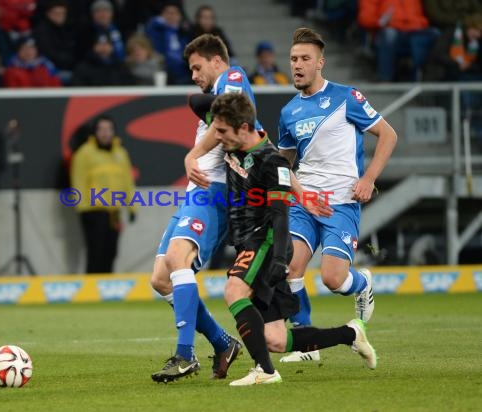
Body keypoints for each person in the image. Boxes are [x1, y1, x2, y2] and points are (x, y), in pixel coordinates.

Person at [205, 92, 377, 386]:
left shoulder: (272, 163)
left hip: (266, 242)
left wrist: (282, 259)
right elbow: (197, 103)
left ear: (243, 128)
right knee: (275, 338)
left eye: (221, 131)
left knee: (234, 290)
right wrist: (190, 155)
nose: (215, 136)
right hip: (249, 242)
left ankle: (265, 371)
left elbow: (281, 214)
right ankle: (351, 334)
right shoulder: (233, 140)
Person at [277, 27, 397, 362]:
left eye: (305, 59)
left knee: (332, 278)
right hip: (305, 203)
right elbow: (285, 164)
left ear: (320, 63)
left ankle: (362, 284)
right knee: (291, 269)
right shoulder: (288, 112)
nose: (297, 65)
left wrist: (369, 178)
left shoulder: (346, 97)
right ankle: (306, 344)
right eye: (293, 59)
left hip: (341, 203)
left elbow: (387, 135)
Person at [149, 33, 259, 383]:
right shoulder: (214, 97)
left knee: (178, 259)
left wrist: (193, 153)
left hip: (216, 192)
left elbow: (231, 110)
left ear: (217, 60)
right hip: (197, 193)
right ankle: (222, 342)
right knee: (162, 278)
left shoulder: (233, 75)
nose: (194, 74)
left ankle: (184, 355)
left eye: (197, 67)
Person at [70, 115, 137, 274]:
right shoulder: (85, 153)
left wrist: (132, 207)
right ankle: (92, 290)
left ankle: (105, 288)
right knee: (95, 251)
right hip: (94, 211)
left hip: (114, 211)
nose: (105, 133)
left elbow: (127, 182)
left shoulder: (120, 153)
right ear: (95, 132)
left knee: (111, 251)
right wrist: (83, 208)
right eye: (101, 129)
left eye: (109, 129)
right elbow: (78, 181)